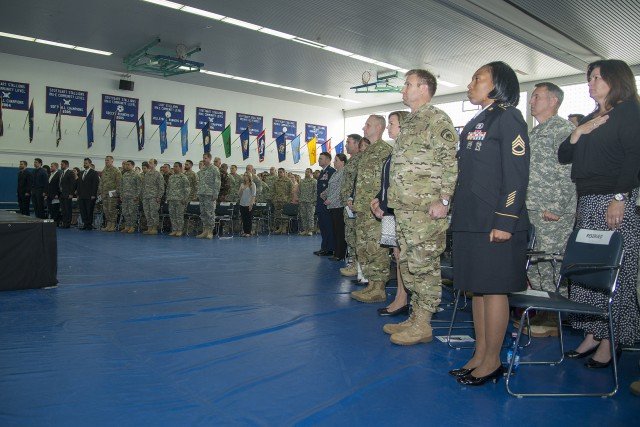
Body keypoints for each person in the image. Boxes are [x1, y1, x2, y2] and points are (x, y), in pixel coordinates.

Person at [448, 62, 529, 385]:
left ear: (497, 85)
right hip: (470, 219)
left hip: (495, 220)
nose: (471, 84)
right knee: (477, 291)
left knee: (494, 291)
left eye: (477, 78)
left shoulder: (508, 117)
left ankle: (493, 361)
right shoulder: (478, 120)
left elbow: (516, 173)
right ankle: (480, 354)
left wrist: (506, 219)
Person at [558, 59, 640, 368]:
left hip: (613, 199)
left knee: (613, 271)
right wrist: (581, 128)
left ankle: (611, 340)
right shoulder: (594, 116)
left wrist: (620, 197)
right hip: (587, 199)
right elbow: (564, 154)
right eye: (589, 78)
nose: (590, 83)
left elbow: (634, 156)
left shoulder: (629, 111)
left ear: (615, 80)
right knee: (587, 271)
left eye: (596, 78)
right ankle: (593, 333)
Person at [383, 71, 458, 346]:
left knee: (424, 265)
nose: (403, 89)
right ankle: (415, 317)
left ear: (424, 88)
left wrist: (445, 201)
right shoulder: (411, 120)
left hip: (426, 209)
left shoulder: (436, 119)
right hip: (405, 208)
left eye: (408, 84)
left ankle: (424, 323)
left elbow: (449, 162)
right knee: (409, 264)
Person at [523, 82, 576, 336]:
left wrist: (557, 206)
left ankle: (555, 315)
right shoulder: (533, 133)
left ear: (553, 101)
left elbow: (569, 171)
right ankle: (542, 307)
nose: (532, 101)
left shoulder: (563, 130)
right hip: (532, 207)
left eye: (537, 97)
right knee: (535, 261)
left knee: (554, 262)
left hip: (552, 211)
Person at [350, 115, 393, 303]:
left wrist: (381, 203)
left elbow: (388, 182)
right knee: (363, 248)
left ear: (378, 127)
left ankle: (379, 288)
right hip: (362, 208)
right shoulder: (366, 152)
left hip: (376, 211)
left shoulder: (386, 151)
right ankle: (371, 284)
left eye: (367, 125)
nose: (364, 127)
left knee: (376, 248)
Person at [371, 110, 410, 317]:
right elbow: (387, 183)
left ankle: (402, 299)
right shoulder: (394, 151)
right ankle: (399, 297)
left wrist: (386, 206)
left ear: (403, 126)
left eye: (392, 123)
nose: (389, 127)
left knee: (402, 255)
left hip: (397, 212)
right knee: (396, 254)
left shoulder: (407, 151)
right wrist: (378, 199)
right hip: (389, 212)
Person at [339, 134, 363, 276]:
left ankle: (356, 265)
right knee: (349, 234)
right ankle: (353, 263)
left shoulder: (360, 159)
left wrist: (352, 198)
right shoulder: (352, 160)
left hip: (353, 203)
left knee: (353, 235)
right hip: (347, 204)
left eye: (348, 142)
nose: (346, 145)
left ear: (357, 143)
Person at [323, 153, 348, 260]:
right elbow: (331, 187)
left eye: (336, 160)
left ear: (342, 162)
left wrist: (330, 200)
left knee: (340, 231)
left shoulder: (344, 173)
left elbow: (340, 190)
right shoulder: (335, 174)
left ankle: (340, 254)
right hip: (332, 206)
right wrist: (324, 193)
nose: (334, 162)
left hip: (339, 205)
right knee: (335, 231)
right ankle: (337, 253)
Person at [314, 152, 336, 256]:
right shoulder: (322, 172)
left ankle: (330, 248)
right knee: (322, 227)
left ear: (328, 160)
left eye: (321, 158)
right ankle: (324, 247)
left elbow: (333, 188)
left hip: (327, 204)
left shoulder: (331, 172)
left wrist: (329, 199)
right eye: (319, 158)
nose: (319, 160)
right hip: (320, 204)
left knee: (328, 227)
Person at [197, 152, 221, 239]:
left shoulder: (214, 169)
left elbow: (217, 182)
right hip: (202, 193)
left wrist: (215, 194)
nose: (204, 159)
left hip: (210, 194)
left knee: (210, 213)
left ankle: (210, 231)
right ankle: (205, 231)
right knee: (203, 213)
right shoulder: (202, 170)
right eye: (203, 158)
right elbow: (199, 182)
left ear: (210, 159)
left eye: (205, 158)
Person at [98, 156, 122, 232]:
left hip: (112, 193)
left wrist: (116, 193)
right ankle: (108, 224)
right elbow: (101, 182)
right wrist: (100, 191)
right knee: (106, 209)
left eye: (108, 160)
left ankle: (113, 225)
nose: (106, 161)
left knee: (112, 209)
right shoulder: (104, 170)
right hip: (104, 193)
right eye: (105, 160)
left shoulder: (116, 170)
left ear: (112, 161)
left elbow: (119, 183)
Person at [166, 162, 190, 237]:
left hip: (180, 199)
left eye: (176, 166)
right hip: (171, 199)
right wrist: (168, 197)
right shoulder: (171, 177)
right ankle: (174, 229)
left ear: (180, 167)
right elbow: (168, 188)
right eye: (174, 166)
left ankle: (179, 230)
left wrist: (185, 199)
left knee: (179, 215)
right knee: (172, 215)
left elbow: (187, 189)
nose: (174, 168)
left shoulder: (183, 177)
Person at [141, 158, 165, 235]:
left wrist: (159, 197)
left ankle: (154, 228)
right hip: (146, 196)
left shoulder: (158, 174)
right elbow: (144, 186)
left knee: (153, 213)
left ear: (155, 164)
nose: (149, 164)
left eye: (151, 163)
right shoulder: (147, 174)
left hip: (154, 196)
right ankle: (149, 228)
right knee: (147, 213)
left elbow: (161, 187)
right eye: (149, 163)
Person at [77, 157, 100, 230]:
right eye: (84, 163)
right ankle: (85, 224)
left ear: (90, 164)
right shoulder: (81, 173)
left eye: (86, 163)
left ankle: (89, 225)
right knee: (83, 210)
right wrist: (78, 194)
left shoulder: (94, 173)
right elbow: (79, 184)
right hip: (81, 195)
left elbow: (95, 184)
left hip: (90, 195)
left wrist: (93, 194)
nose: (84, 164)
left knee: (89, 210)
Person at [119, 160, 141, 233]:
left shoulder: (136, 175)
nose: (127, 166)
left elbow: (139, 186)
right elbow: (121, 186)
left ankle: (132, 227)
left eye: (128, 165)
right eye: (126, 165)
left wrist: (137, 196)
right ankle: (127, 226)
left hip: (133, 197)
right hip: (125, 197)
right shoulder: (124, 175)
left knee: (132, 212)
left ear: (133, 166)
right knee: (125, 212)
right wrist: (121, 195)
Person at [273, 168, 293, 234]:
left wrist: (289, 199)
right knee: (278, 214)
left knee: (284, 214)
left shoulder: (288, 181)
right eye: (278, 172)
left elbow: (291, 191)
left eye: (281, 172)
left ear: (284, 173)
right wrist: (274, 199)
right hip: (277, 200)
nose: (279, 173)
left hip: (285, 200)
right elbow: (273, 191)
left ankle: (284, 227)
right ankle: (280, 227)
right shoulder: (276, 181)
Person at [298, 168, 317, 236]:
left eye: (308, 172)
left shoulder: (314, 181)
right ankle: (305, 230)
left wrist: (314, 200)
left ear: (311, 173)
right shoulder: (302, 181)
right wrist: (299, 199)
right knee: (303, 216)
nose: (307, 173)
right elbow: (299, 191)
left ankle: (310, 230)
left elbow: (315, 191)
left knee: (310, 216)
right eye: (306, 171)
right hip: (302, 201)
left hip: (310, 201)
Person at [59, 160, 76, 228]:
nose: (61, 165)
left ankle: (67, 223)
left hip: (68, 194)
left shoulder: (70, 173)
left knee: (67, 209)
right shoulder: (62, 173)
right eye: (61, 164)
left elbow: (73, 184)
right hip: (62, 194)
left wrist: (71, 194)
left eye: (62, 164)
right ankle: (64, 222)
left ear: (66, 165)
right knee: (63, 210)